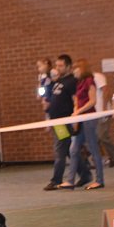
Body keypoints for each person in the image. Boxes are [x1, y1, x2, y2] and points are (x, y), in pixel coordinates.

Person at [44, 54, 89, 191]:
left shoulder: (71, 82)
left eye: (61, 65)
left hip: (65, 121)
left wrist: (75, 119)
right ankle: (85, 174)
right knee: (69, 150)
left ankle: (56, 179)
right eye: (57, 65)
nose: (58, 68)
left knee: (60, 150)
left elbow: (76, 100)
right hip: (57, 121)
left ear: (68, 67)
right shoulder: (58, 81)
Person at [58, 59, 103, 190]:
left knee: (93, 148)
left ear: (82, 69)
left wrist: (79, 112)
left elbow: (92, 101)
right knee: (73, 149)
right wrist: (76, 116)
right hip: (80, 119)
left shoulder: (89, 80)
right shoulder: (79, 83)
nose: (73, 72)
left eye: (76, 69)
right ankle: (70, 180)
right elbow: (77, 101)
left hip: (89, 118)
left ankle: (99, 180)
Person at [93, 69, 114, 168]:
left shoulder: (97, 76)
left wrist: (104, 107)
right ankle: (103, 157)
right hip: (94, 113)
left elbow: (106, 91)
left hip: (102, 111)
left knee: (101, 135)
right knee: (96, 137)